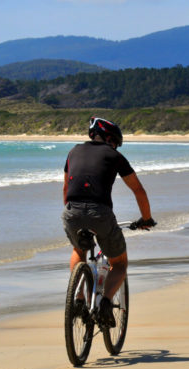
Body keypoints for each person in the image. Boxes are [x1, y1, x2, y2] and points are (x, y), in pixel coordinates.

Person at [62, 116, 155, 326]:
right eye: (115, 142)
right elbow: (138, 190)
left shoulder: (73, 152)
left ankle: (78, 299)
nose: (115, 146)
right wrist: (146, 219)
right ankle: (104, 303)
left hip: (71, 212)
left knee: (79, 251)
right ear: (109, 138)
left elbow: (66, 189)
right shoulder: (114, 156)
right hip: (100, 214)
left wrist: (71, 213)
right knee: (119, 263)